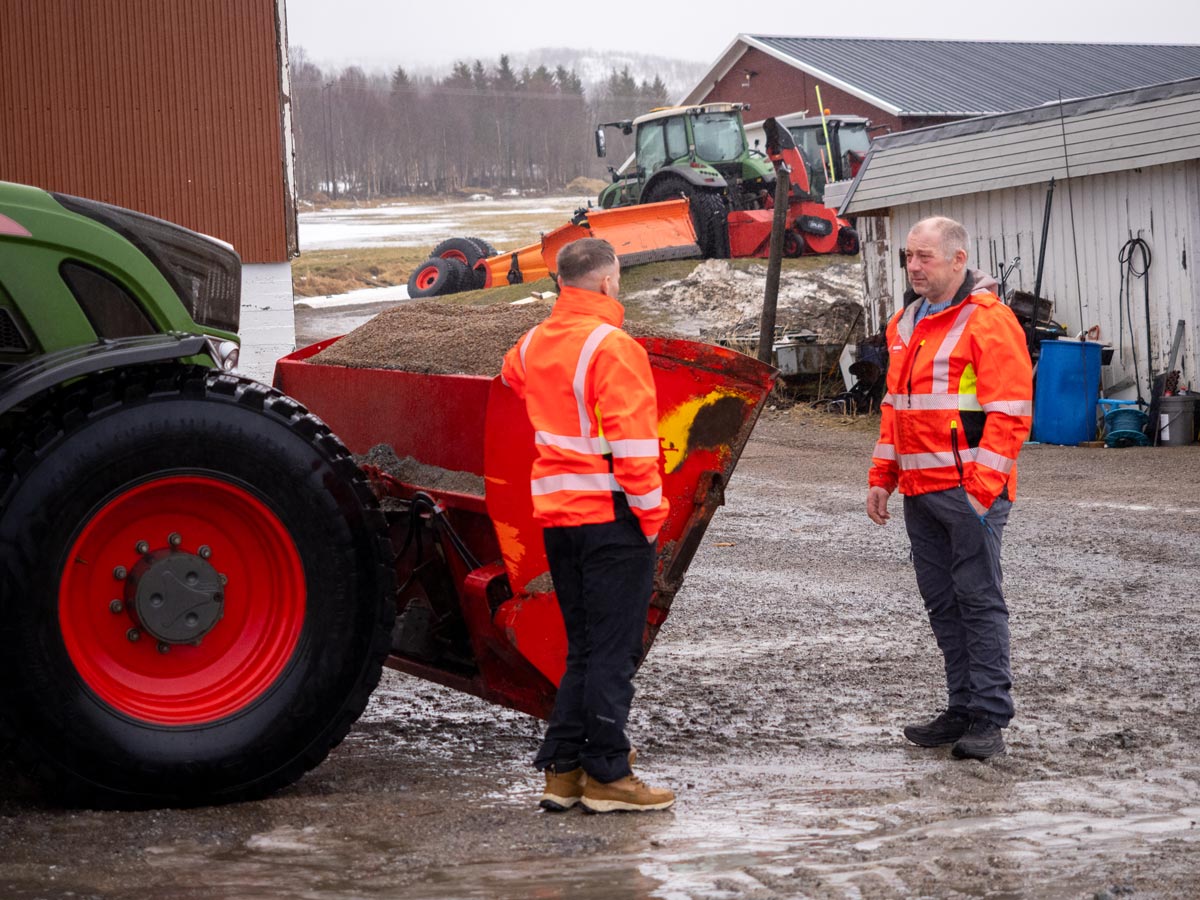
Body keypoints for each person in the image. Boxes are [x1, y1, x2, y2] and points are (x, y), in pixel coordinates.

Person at [500, 237, 675, 813]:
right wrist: (652, 517)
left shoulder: (529, 344)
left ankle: (564, 772)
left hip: (559, 516)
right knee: (612, 652)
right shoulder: (613, 346)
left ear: (560, 283)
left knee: (583, 648)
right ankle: (608, 776)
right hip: (612, 515)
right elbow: (632, 443)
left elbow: (512, 378)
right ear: (607, 282)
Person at [866, 216, 1033, 760]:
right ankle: (961, 708)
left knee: (978, 601)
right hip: (920, 489)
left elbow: (1010, 413)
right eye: (909, 257)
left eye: (925, 257)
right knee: (943, 604)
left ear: (958, 260)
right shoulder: (905, 323)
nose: (914, 266)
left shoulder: (988, 320)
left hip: (967, 493)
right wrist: (881, 478)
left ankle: (988, 718)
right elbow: (896, 409)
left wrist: (980, 491)